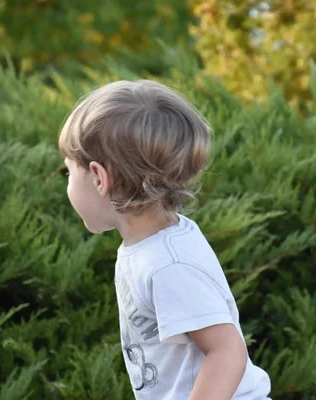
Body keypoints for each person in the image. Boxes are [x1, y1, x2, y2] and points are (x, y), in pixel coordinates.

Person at [58, 79, 272, 400]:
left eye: (69, 173)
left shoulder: (168, 264)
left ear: (99, 177)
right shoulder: (152, 246)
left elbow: (227, 353)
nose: (68, 185)